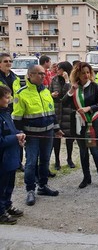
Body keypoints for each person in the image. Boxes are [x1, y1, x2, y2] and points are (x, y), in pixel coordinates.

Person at [12, 65, 63, 206]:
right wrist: (20, 134)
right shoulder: (21, 93)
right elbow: (16, 118)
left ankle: (43, 186)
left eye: (44, 73)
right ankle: (30, 190)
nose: (43, 76)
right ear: (30, 75)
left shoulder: (46, 91)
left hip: (48, 133)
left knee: (45, 161)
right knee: (30, 163)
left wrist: (57, 128)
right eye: (40, 73)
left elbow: (51, 113)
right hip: (32, 135)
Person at [62, 62, 98, 190]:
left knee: (94, 150)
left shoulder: (95, 87)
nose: (86, 75)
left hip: (92, 122)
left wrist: (89, 108)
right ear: (78, 74)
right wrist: (71, 90)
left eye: (88, 72)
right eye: (83, 73)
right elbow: (64, 102)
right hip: (77, 123)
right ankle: (86, 177)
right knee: (82, 151)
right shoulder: (74, 88)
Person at [0, 85, 26, 225]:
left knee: (10, 184)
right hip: (2, 158)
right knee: (2, 185)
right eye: (6, 97)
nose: (9, 99)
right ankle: (0, 212)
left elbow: (12, 130)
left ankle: (7, 205)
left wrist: (19, 134)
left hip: (11, 156)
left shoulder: (6, 112)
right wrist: (15, 138)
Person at [49, 61, 75, 169]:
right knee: (56, 138)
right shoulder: (54, 80)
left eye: (59, 68)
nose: (57, 70)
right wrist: (52, 94)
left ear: (65, 70)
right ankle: (57, 160)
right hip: (57, 111)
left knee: (69, 138)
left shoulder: (72, 80)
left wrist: (67, 81)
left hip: (68, 111)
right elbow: (49, 92)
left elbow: (68, 94)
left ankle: (69, 159)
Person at [0, 53, 24, 172]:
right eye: (5, 61)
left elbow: (16, 95)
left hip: (14, 112)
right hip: (2, 111)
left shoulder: (16, 77)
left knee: (17, 136)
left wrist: (15, 104)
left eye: (10, 61)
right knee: (5, 137)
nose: (8, 63)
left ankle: (18, 163)